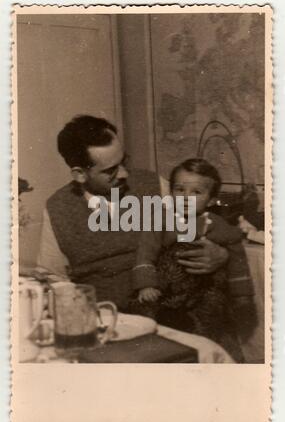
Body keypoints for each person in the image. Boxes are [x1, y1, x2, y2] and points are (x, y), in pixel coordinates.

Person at [37, 115, 230, 312]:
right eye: (110, 170)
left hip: (169, 308)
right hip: (105, 317)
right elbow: (52, 279)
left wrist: (222, 255)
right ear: (80, 174)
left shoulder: (153, 184)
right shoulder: (57, 208)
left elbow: (208, 222)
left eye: (124, 161)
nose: (124, 174)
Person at [130, 159, 257, 361]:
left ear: (211, 200)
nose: (186, 198)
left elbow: (236, 255)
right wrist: (146, 285)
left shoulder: (217, 224)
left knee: (213, 326)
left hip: (204, 291)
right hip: (167, 293)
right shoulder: (160, 220)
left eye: (196, 192)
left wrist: (242, 294)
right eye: (180, 190)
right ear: (171, 193)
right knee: (162, 330)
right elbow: (146, 252)